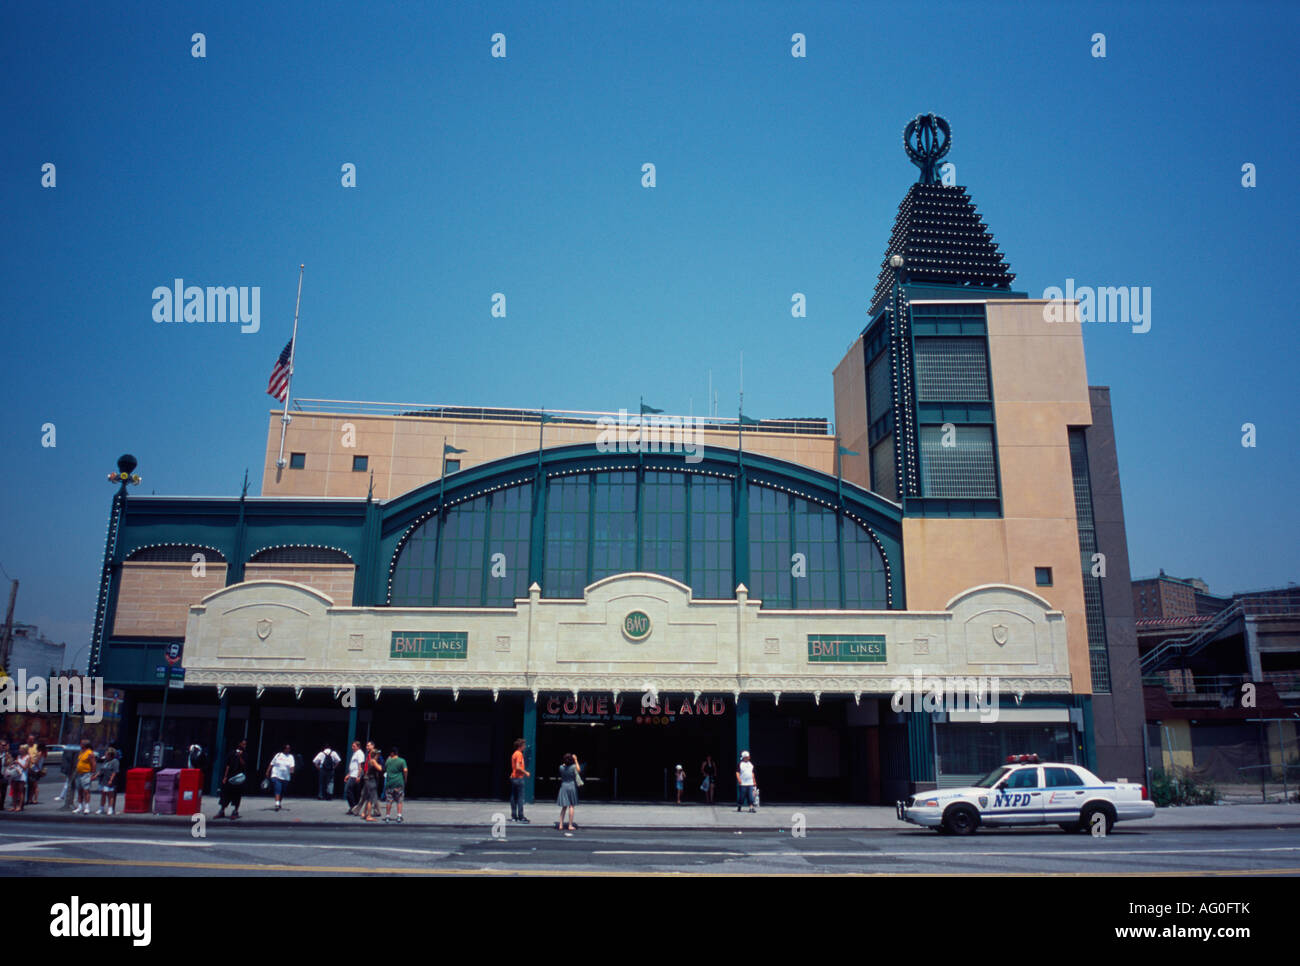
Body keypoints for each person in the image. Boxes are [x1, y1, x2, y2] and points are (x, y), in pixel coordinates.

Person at [216, 739, 248, 819]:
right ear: (239, 744)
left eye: (245, 744)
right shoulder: (232, 753)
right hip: (230, 776)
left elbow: (244, 764)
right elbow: (228, 766)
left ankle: (235, 811)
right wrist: (225, 777)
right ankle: (222, 810)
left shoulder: (245, 754)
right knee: (225, 793)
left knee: (237, 795)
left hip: (239, 777)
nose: (244, 746)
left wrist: (240, 756)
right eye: (243, 744)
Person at [383, 746, 408, 823]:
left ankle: (387, 816)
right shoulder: (402, 761)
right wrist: (405, 779)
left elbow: (385, 768)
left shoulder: (388, 761)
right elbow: (405, 770)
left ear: (391, 753)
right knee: (399, 800)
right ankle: (399, 816)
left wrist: (388, 759)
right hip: (399, 783)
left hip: (390, 783)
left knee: (389, 800)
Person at [556, 753, 580, 832]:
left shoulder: (561, 767)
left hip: (564, 786)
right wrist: (576, 760)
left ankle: (560, 824)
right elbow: (579, 770)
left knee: (564, 807)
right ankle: (570, 825)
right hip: (572, 786)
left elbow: (563, 765)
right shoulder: (573, 767)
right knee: (571, 806)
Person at [266, 744, 295, 811]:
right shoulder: (278, 755)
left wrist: (292, 770)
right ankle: (277, 804)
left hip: (285, 776)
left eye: (289, 748)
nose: (288, 750)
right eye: (287, 748)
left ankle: (279, 802)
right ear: (284, 749)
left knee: (282, 791)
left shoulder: (290, 757)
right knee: (277, 789)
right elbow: (271, 763)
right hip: (276, 775)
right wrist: (267, 771)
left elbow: (292, 765)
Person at [359, 741, 382, 821]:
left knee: (368, 797)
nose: (378, 756)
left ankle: (364, 813)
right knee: (370, 799)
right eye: (378, 755)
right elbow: (380, 768)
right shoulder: (373, 761)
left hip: (368, 779)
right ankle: (368, 815)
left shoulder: (370, 759)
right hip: (371, 780)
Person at [509, 738, 530, 823]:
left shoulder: (514, 754)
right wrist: (526, 772)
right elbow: (518, 767)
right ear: (520, 746)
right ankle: (521, 816)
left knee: (513, 797)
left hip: (513, 777)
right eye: (524, 745)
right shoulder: (519, 754)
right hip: (518, 778)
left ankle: (514, 816)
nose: (525, 746)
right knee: (520, 798)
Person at [74, 739, 96, 815]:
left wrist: (93, 774)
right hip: (79, 773)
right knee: (79, 790)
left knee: (86, 790)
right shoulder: (81, 752)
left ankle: (87, 807)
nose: (80, 745)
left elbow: (93, 764)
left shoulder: (90, 753)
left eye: (81, 744)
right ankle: (80, 807)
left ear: (84, 745)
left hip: (86, 774)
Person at [96, 748, 120, 815]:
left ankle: (110, 809)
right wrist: (95, 775)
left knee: (110, 795)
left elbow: (115, 772)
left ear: (110, 754)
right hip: (103, 780)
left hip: (109, 780)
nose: (105, 755)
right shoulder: (105, 761)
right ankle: (101, 808)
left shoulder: (115, 761)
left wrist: (111, 780)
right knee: (103, 794)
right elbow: (101, 770)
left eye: (106, 754)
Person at [345, 740, 364, 814]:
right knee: (353, 791)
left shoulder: (359, 753)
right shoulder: (355, 753)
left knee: (348, 790)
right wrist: (348, 774)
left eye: (354, 746)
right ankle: (353, 807)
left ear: (358, 746)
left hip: (355, 775)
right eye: (352, 746)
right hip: (352, 774)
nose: (352, 747)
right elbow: (353, 766)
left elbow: (360, 766)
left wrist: (359, 776)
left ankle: (353, 807)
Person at [26, 738, 47, 804]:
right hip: (37, 769)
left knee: (34, 786)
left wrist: (30, 759)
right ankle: (31, 799)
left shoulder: (40, 753)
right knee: (33, 785)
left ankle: (35, 799)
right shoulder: (44, 753)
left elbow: (36, 762)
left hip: (35, 770)